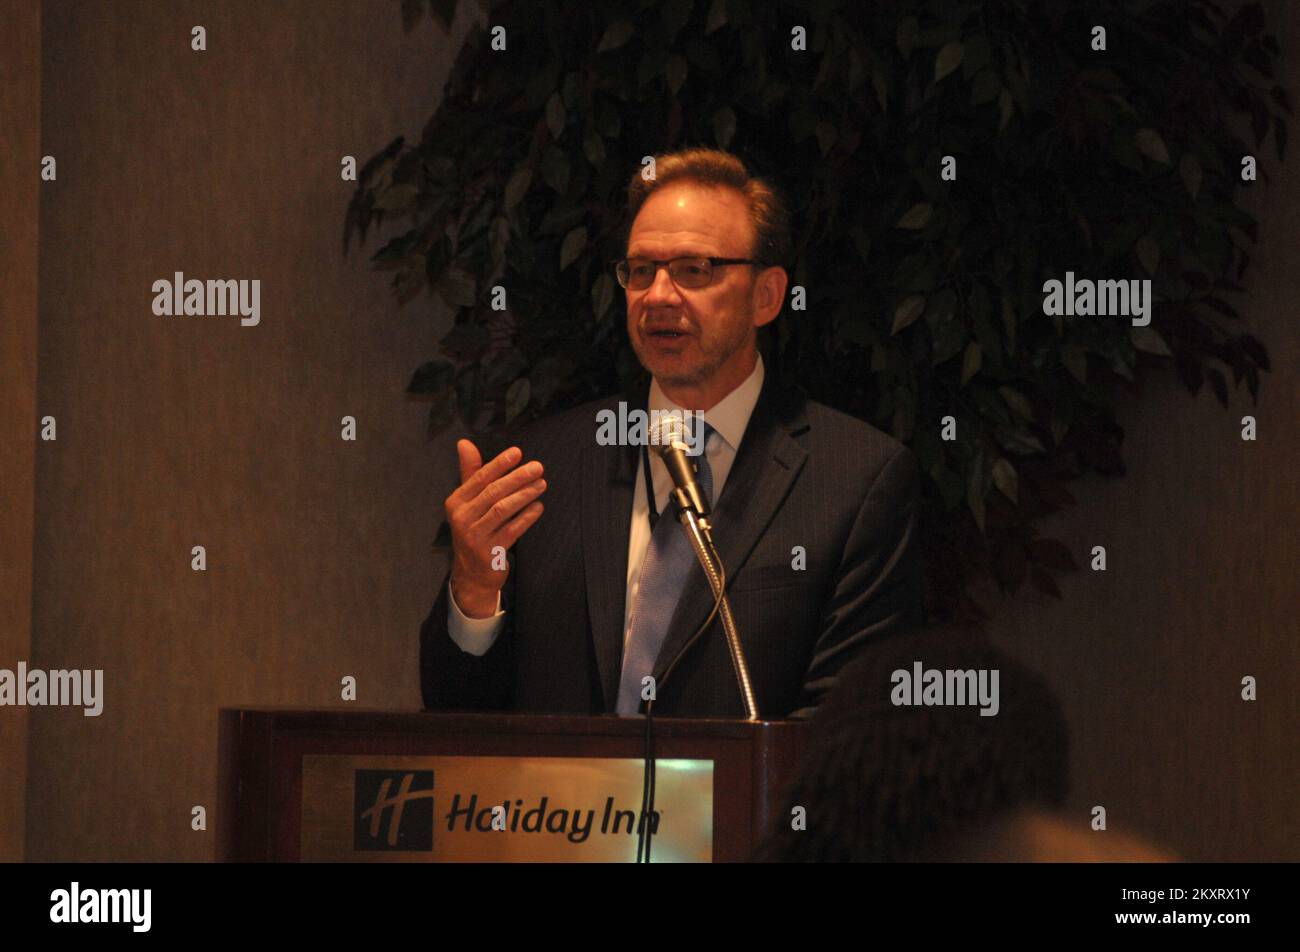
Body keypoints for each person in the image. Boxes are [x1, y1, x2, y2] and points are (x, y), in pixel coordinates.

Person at [420, 147, 922, 719]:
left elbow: (850, 732)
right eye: (640, 270)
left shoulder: (855, 480)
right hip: (564, 812)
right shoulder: (542, 468)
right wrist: (476, 593)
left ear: (767, 295)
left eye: (693, 270)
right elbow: (457, 714)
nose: (657, 295)